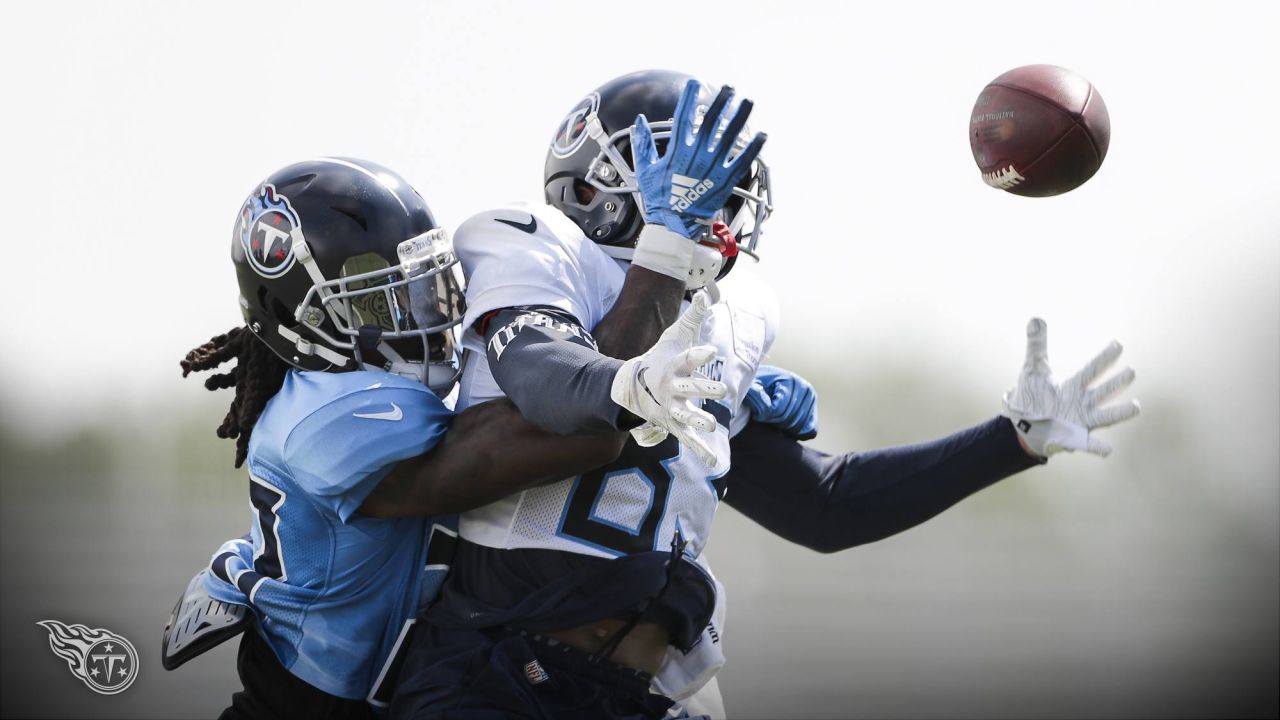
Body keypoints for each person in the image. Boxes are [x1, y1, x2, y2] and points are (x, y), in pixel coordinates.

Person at [387, 70, 1140, 720]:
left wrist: (1011, 440)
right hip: (492, 674)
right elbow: (556, 389)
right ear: (593, 185)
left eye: (723, 191)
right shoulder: (535, 246)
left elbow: (823, 505)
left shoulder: (729, 309)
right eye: (687, 183)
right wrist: (664, 263)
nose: (714, 210)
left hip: (635, 686)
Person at [161, 156, 731, 719]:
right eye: (375, 300)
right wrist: (620, 372)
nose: (421, 311)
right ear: (302, 321)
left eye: (425, 282)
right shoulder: (325, 410)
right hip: (303, 703)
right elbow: (576, 438)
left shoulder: (367, 399)